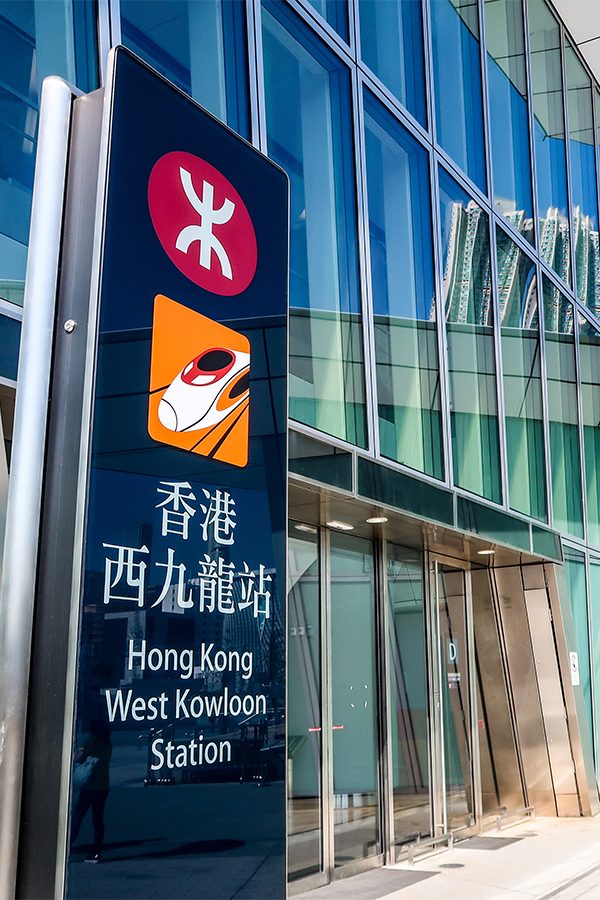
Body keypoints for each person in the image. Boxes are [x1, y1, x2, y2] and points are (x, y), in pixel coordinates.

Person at [70, 720, 112, 863]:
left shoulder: (92, 740)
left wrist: (80, 751)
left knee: (77, 816)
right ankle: (96, 851)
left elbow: (79, 758)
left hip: (90, 786)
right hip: (103, 786)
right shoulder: (107, 742)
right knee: (98, 820)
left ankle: (68, 843)